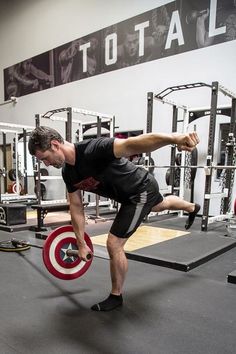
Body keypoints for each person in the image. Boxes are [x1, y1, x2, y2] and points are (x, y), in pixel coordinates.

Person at [28, 126, 200, 311]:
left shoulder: (94, 149)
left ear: (55, 145)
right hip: (127, 196)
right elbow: (76, 207)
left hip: (140, 190)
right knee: (159, 205)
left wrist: (175, 138)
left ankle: (116, 296)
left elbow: (134, 143)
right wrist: (80, 243)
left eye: (44, 158)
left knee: (114, 243)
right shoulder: (68, 173)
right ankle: (192, 207)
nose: (46, 164)